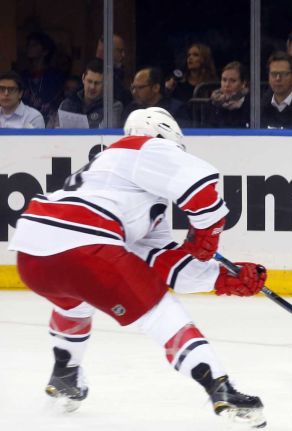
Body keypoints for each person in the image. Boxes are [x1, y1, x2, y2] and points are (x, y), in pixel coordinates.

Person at [7, 107, 268, 427]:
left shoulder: (112, 180)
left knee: (75, 299)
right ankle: (219, 387)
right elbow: (203, 189)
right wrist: (206, 237)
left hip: (32, 251)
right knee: (160, 310)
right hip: (86, 244)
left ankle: (65, 374)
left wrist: (224, 279)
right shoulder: (146, 145)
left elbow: (162, 263)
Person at [51, 59, 124, 128]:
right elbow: (54, 130)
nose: (92, 87)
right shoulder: (67, 104)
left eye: (97, 83)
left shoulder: (113, 106)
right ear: (83, 79)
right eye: (89, 81)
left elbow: (106, 135)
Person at [20, 31, 66, 125]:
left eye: (34, 45)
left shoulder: (56, 77)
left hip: (49, 124)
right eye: (28, 45)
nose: (29, 47)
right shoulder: (23, 76)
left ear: (45, 51)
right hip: (24, 123)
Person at [123, 67, 190, 126]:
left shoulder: (176, 109)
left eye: (140, 87)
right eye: (133, 88)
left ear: (156, 88)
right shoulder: (131, 109)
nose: (134, 92)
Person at [208, 61, 250, 128]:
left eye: (233, 81)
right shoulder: (213, 103)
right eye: (224, 80)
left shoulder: (250, 104)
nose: (227, 85)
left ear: (243, 83)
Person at [95, 34, 132, 105]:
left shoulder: (120, 73)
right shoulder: (96, 73)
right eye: (119, 51)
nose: (123, 55)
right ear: (106, 50)